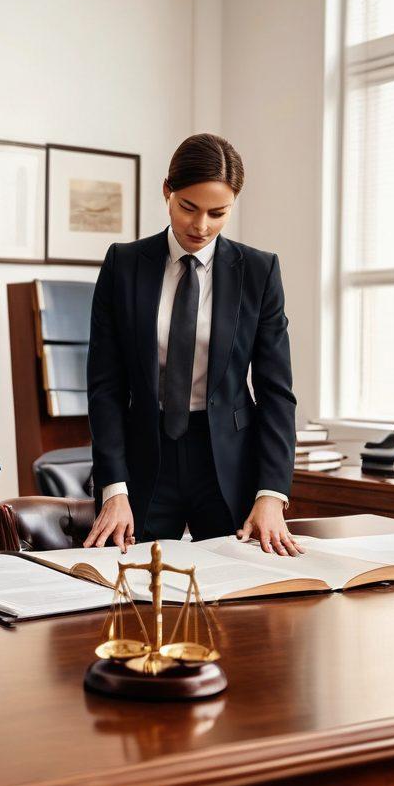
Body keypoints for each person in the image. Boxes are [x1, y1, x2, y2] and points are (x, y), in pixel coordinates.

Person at [84, 133, 300, 555]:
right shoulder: (123, 265)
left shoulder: (258, 271)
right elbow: (105, 387)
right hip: (145, 457)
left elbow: (277, 391)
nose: (201, 226)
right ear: (168, 190)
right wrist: (113, 487)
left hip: (228, 462)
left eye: (218, 213)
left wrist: (272, 492)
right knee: (132, 597)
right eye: (188, 207)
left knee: (237, 603)